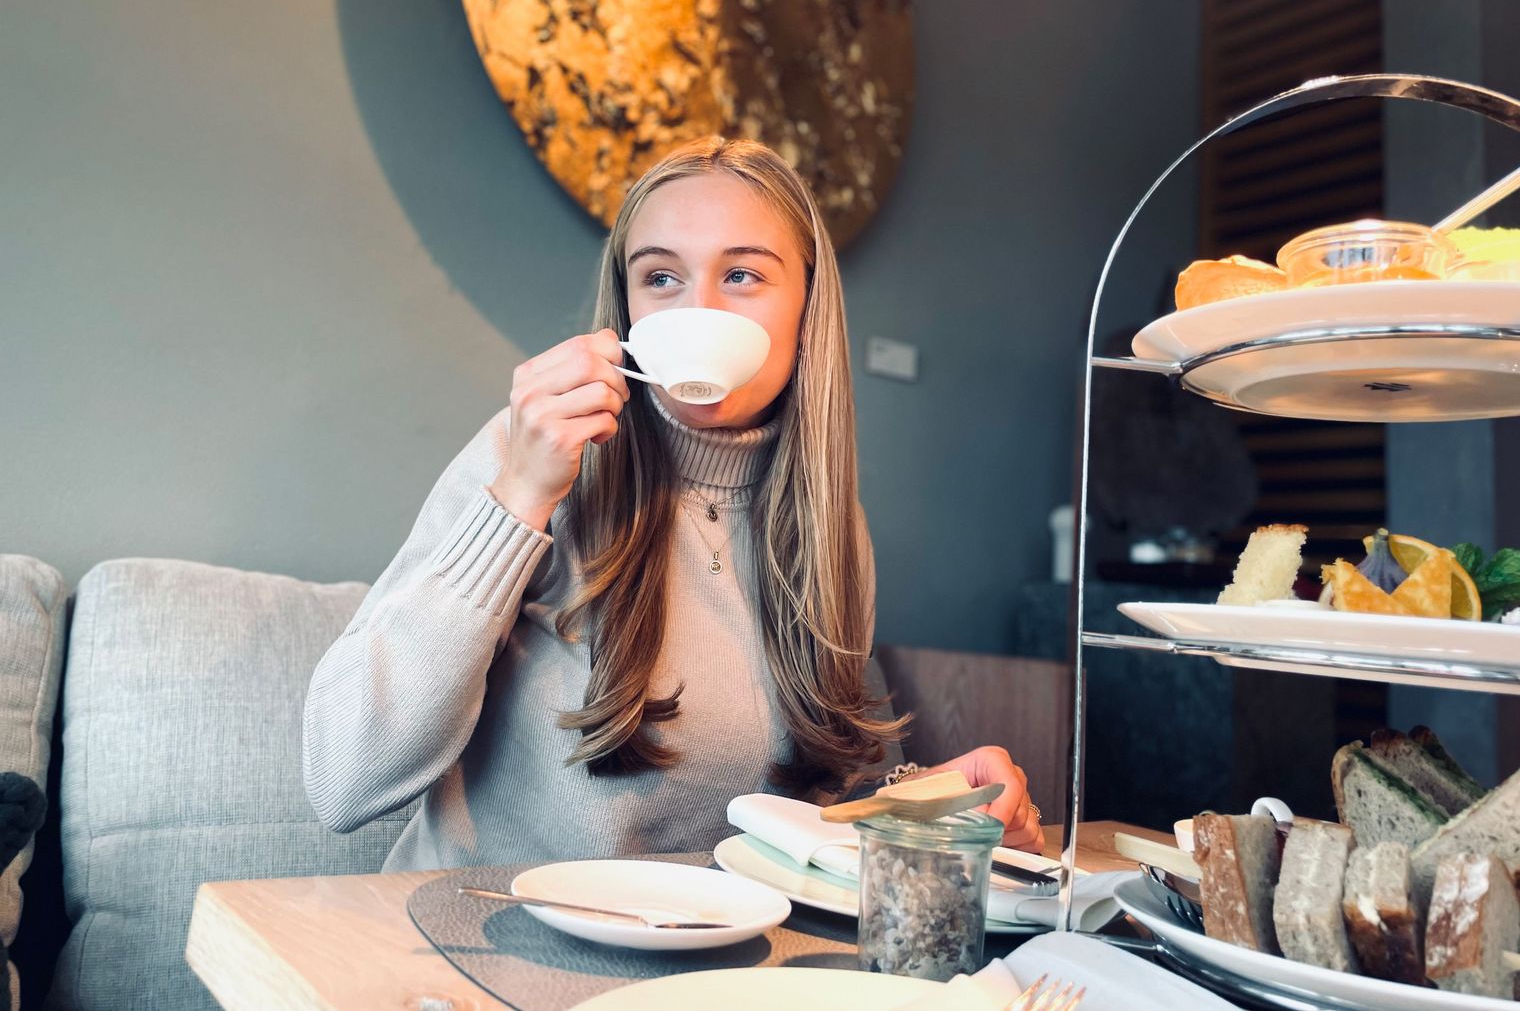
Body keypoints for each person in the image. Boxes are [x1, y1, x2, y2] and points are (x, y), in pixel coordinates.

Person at [302, 137, 1042, 870]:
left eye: (744, 275)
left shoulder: (826, 523)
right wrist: (521, 496)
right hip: (487, 943)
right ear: (627, 311)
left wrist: (932, 799)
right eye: (661, 278)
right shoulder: (530, 458)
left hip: (702, 964)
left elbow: (818, 803)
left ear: (807, 307)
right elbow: (345, 780)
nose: (699, 308)